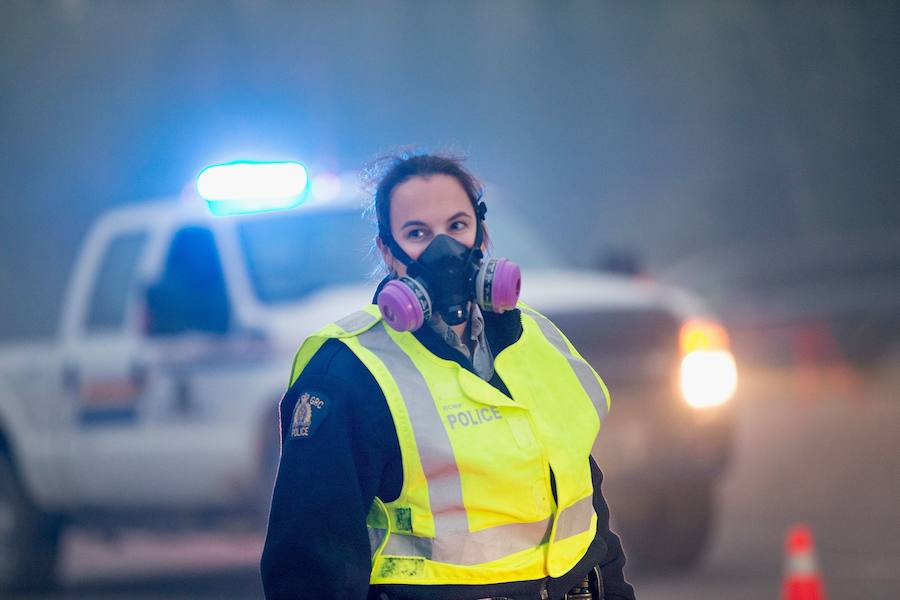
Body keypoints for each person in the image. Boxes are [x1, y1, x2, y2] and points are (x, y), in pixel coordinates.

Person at [261, 153, 636, 600]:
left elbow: (585, 504)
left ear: (482, 233)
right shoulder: (347, 373)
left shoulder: (540, 341)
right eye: (417, 233)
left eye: (457, 226)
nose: (445, 252)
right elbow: (308, 567)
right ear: (387, 251)